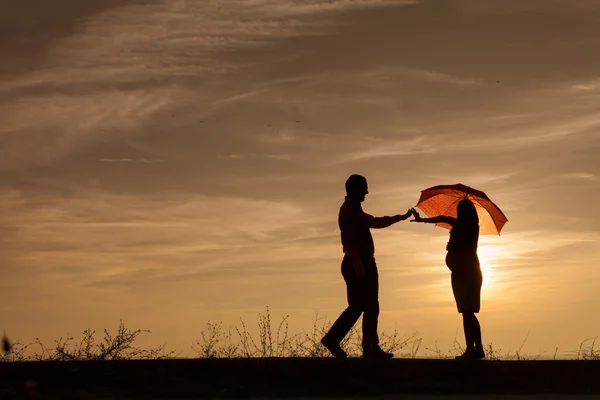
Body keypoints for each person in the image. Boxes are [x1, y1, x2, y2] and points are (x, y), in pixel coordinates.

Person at [321, 174, 413, 359]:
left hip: (359, 261)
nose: (367, 192)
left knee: (365, 306)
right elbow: (349, 241)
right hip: (359, 261)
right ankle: (361, 345)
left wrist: (400, 217)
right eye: (364, 188)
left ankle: (364, 345)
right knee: (365, 305)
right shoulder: (349, 211)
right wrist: (358, 264)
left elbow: (374, 221)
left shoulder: (353, 209)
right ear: (355, 190)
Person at [411, 199, 485, 360]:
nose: (458, 212)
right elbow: (443, 218)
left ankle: (474, 349)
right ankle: (474, 349)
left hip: (468, 273)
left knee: (468, 312)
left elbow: (449, 222)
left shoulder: (471, 227)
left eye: (461, 209)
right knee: (466, 312)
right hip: (460, 273)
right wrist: (422, 220)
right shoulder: (459, 224)